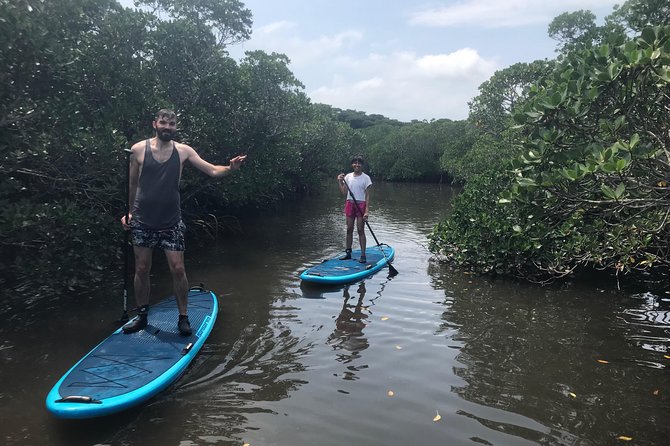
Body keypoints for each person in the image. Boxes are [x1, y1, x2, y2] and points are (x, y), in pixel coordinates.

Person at [120, 109, 246, 336]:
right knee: (141, 269)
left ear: (176, 127)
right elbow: (132, 185)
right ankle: (141, 315)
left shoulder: (183, 151)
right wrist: (129, 213)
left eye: (172, 123)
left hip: (171, 221)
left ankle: (183, 317)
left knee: (178, 269)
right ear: (155, 124)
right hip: (142, 220)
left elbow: (212, 171)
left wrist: (230, 168)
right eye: (163, 122)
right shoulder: (138, 150)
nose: (167, 126)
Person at [337, 155, 372, 263]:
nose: (357, 165)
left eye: (359, 163)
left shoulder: (366, 178)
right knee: (349, 229)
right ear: (352, 164)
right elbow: (344, 192)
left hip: (361, 204)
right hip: (350, 203)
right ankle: (348, 252)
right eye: (355, 163)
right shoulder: (348, 177)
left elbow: (367, 196)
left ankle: (363, 255)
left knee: (360, 230)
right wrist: (340, 181)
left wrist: (366, 211)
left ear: (361, 165)